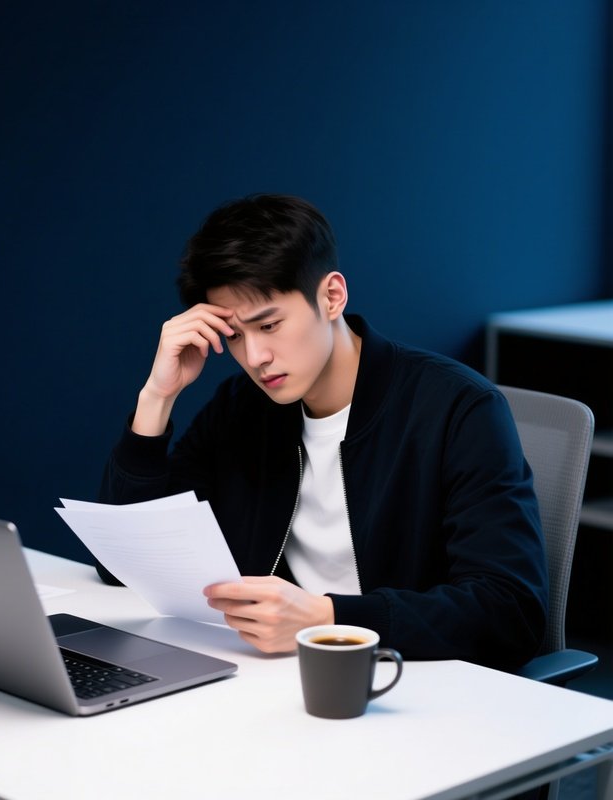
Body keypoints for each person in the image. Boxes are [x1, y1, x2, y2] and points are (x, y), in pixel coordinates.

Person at [97, 193, 548, 670]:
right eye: (233, 336)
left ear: (331, 297)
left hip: (406, 679)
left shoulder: (457, 408)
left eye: (268, 324)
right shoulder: (242, 407)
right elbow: (122, 567)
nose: (255, 358)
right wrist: (157, 398)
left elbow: (510, 611)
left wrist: (330, 617)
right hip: (275, 676)